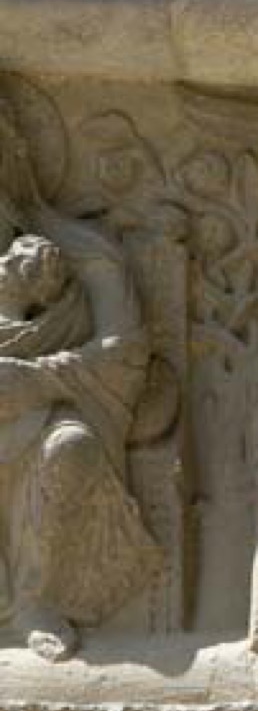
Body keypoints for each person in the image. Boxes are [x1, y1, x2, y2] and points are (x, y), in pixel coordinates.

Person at [0, 104, 162, 661]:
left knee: (71, 447)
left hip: (49, 415)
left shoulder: (83, 255)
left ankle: (33, 600)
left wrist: (37, 381)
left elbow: (125, 353)